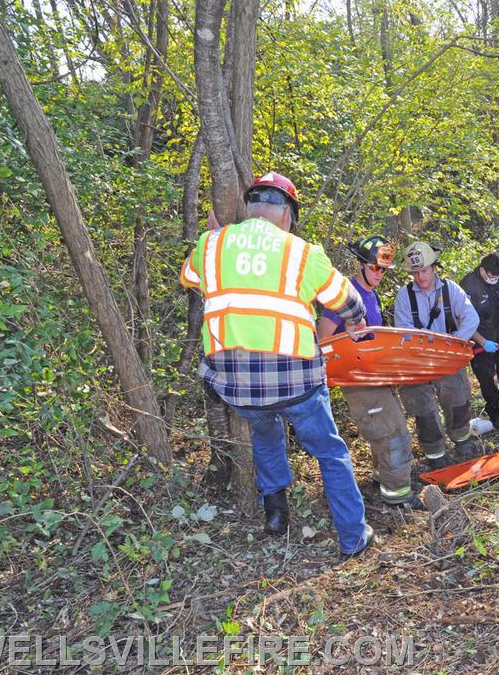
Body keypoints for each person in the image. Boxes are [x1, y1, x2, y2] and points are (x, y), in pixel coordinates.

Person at [179, 172, 374, 556]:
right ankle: (353, 538)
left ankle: (276, 513)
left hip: (235, 387)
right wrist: (354, 322)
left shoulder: (211, 244)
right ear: (288, 215)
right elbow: (348, 299)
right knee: (331, 453)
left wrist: (215, 243)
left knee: (265, 430)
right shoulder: (302, 252)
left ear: (250, 208)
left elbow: (191, 279)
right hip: (296, 383)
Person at [316, 236, 417, 507]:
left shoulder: (371, 296)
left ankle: (383, 477)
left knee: (383, 427)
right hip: (357, 376)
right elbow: (324, 336)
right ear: (360, 264)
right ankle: (398, 496)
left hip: (375, 373)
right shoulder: (346, 293)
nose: (380, 274)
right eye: (375, 268)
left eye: (384, 269)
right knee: (393, 430)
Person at [393, 241, 483, 467]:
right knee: (423, 408)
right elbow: (403, 331)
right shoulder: (404, 296)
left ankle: (462, 440)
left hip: (448, 357)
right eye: (415, 272)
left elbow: (471, 318)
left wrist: (456, 342)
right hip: (417, 362)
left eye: (424, 270)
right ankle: (435, 454)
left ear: (434, 267)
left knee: (457, 398)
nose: (420, 276)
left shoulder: (450, 289)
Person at [460, 252, 499, 431]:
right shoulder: (469, 284)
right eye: (492, 276)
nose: (495, 279)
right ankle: (495, 411)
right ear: (483, 270)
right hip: (478, 335)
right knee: (486, 378)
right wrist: (483, 342)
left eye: (498, 276)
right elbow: (461, 319)